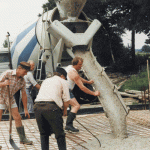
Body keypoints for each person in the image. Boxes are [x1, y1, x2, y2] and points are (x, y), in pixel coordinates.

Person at [34, 67, 70, 150]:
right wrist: (64, 112)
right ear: (62, 76)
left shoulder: (46, 80)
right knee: (59, 134)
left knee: (43, 134)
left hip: (37, 107)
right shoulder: (63, 81)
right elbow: (66, 100)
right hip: (51, 107)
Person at [0, 62, 33, 145]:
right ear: (19, 69)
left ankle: (22, 139)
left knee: (17, 117)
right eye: (25, 72)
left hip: (10, 97)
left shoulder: (22, 81)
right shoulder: (8, 73)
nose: (25, 74)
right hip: (0, 96)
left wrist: (25, 109)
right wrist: (4, 83)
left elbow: (24, 94)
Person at [65, 57, 100, 132]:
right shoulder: (74, 74)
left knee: (66, 107)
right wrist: (94, 93)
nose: (81, 66)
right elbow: (82, 88)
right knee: (76, 105)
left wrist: (88, 82)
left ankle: (66, 124)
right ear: (76, 64)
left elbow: (79, 78)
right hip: (66, 90)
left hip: (62, 89)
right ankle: (68, 125)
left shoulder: (69, 67)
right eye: (80, 64)